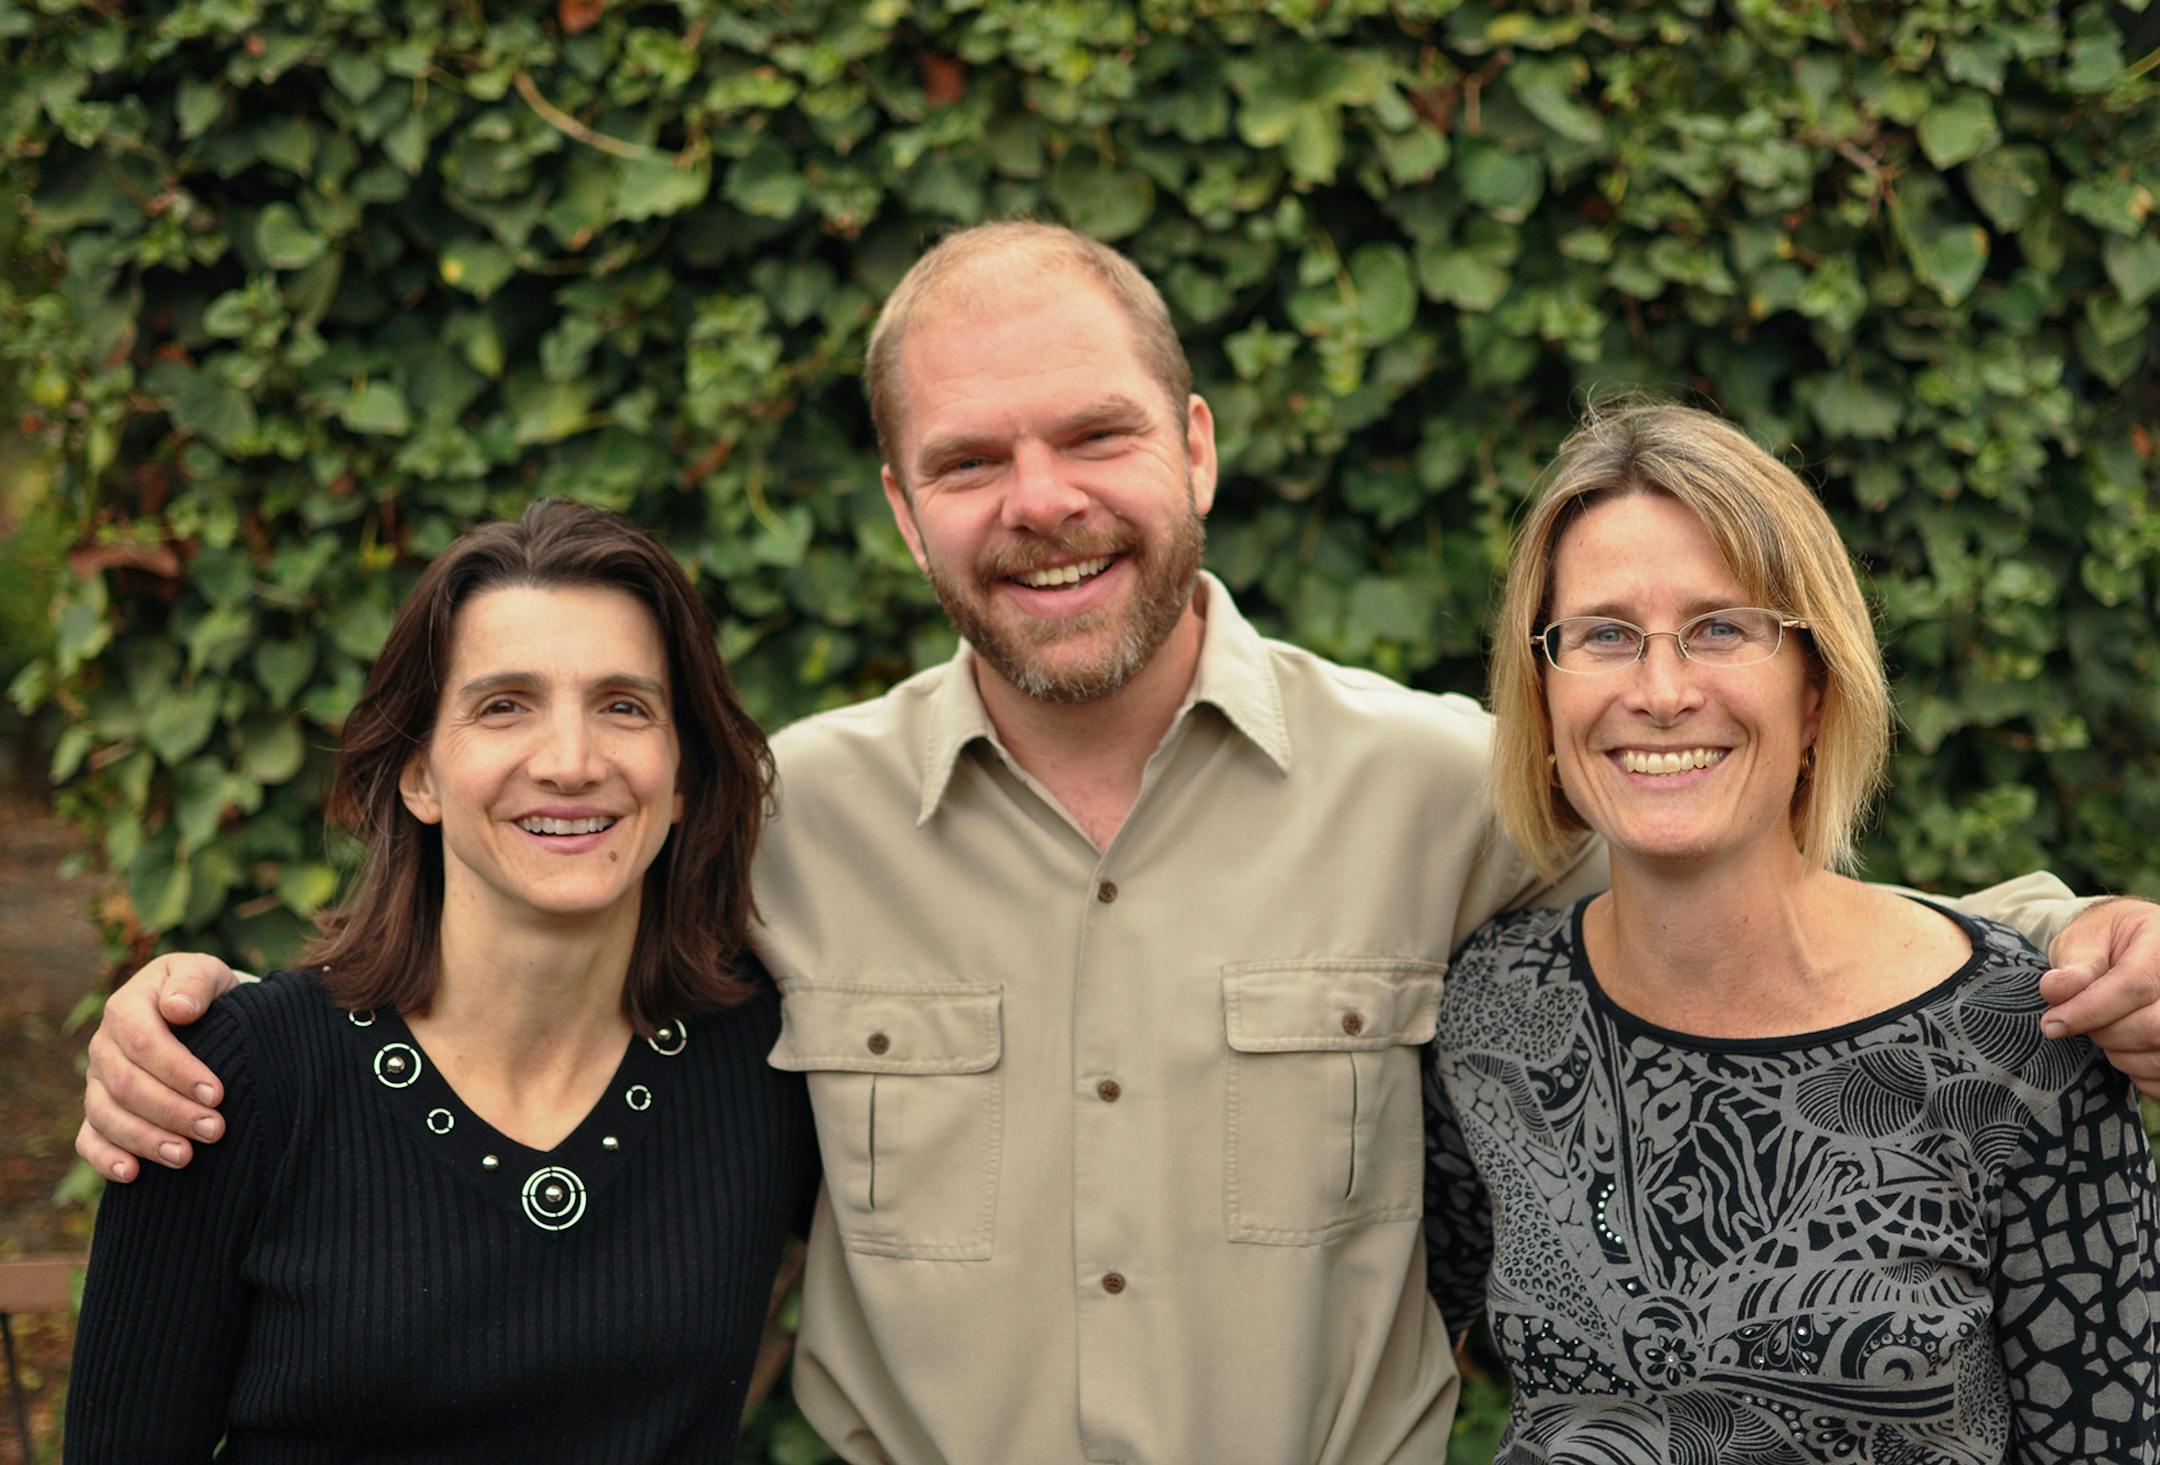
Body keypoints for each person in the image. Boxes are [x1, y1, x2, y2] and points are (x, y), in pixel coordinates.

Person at [75, 225, 2160, 1465]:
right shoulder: (778, 826)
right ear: (905, 512)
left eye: (1089, 434)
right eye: (969, 460)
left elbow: (1757, 908)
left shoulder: (1445, 788)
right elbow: (503, 921)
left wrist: (2082, 942)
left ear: (1195, 449)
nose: (1039, 499)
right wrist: (195, 1014)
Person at [1423, 403, 2160, 1462]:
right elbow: (1392, 1344)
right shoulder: (1493, 1009)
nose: (1662, 690)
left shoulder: (2022, 1042)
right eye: (1603, 634)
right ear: (1542, 694)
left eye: (1723, 627)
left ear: (1815, 689)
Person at [65, 502, 819, 1461]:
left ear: (681, 779)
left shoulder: (768, 1060)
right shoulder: (229, 1079)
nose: (571, 762)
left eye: (625, 705)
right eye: (504, 705)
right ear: (419, 772)